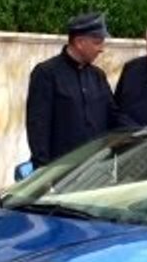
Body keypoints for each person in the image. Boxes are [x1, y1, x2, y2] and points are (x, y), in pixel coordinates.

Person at [26, 12, 130, 168]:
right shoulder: (46, 74)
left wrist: (143, 131)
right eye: (97, 42)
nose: (101, 49)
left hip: (96, 169)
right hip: (61, 172)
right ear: (80, 42)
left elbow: (113, 116)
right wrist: (43, 172)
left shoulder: (98, 76)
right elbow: (38, 127)